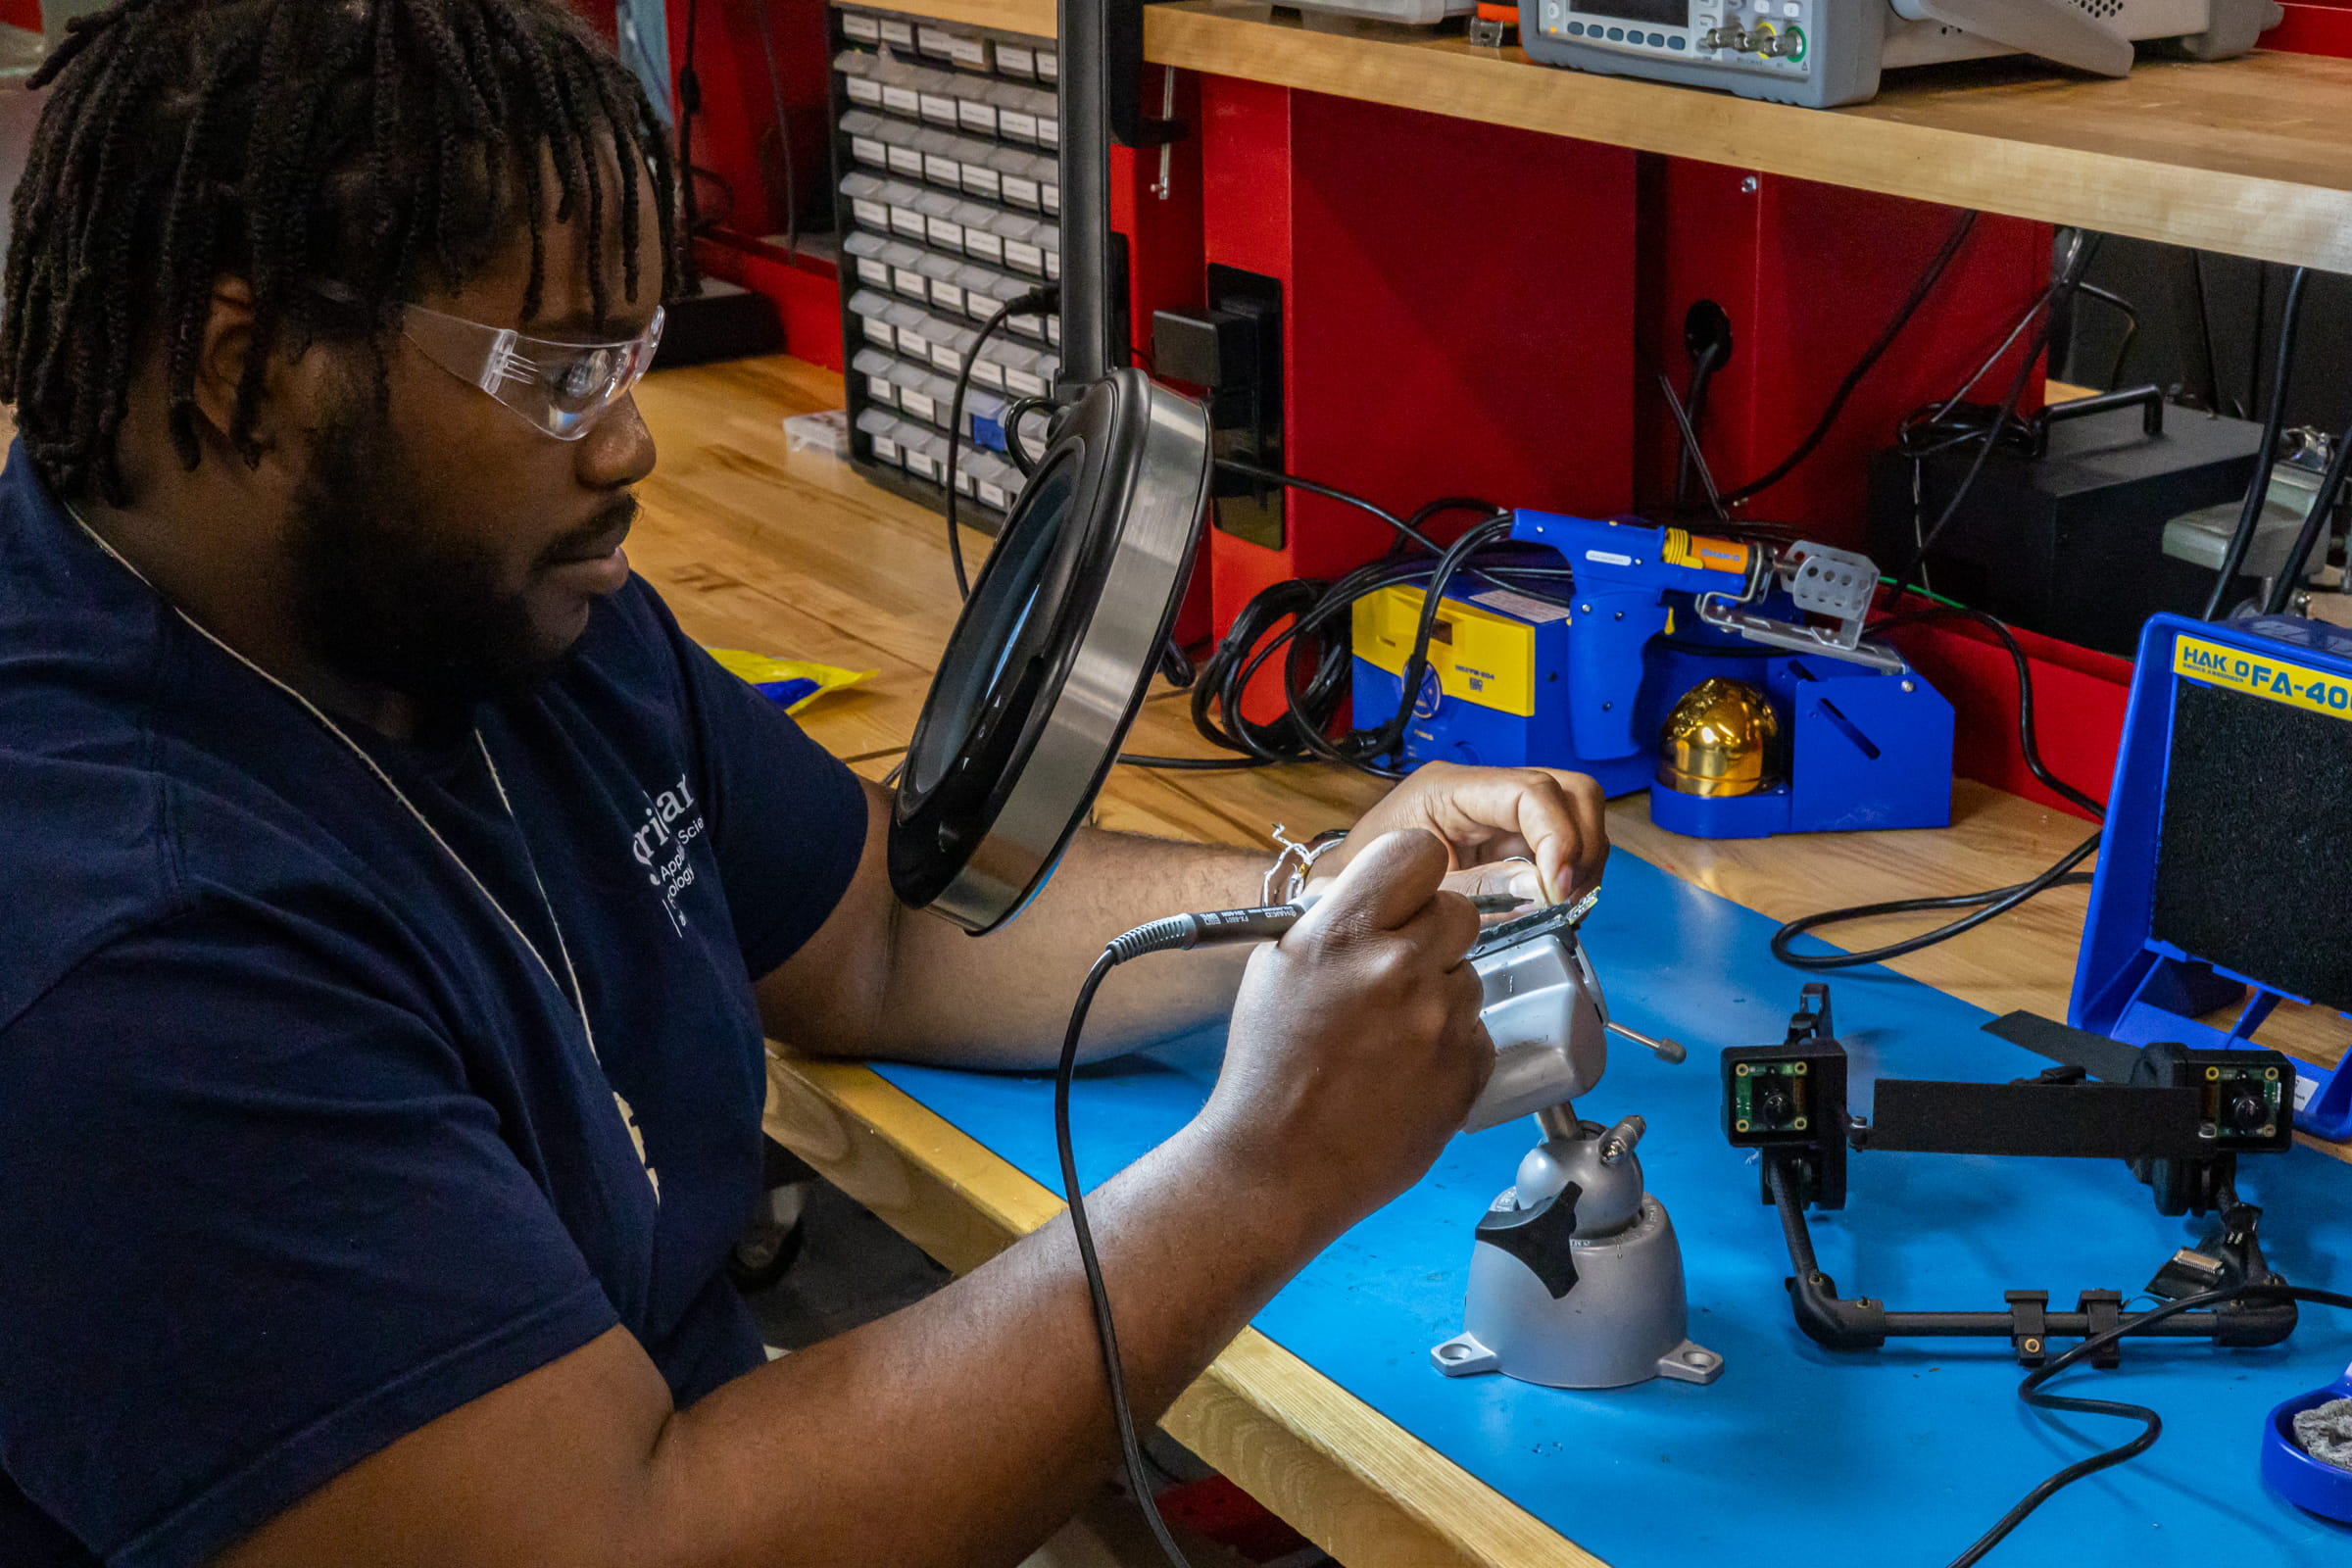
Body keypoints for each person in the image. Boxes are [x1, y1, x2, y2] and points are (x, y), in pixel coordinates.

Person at [0, 4, 1607, 1565]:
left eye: (629, 355)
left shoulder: (485, 610)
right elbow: (630, 1543)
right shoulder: (119, 953)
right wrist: (1263, 1168)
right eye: (557, 373)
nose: (627, 445)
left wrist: (1312, 906)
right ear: (246, 368)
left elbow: (880, 937)